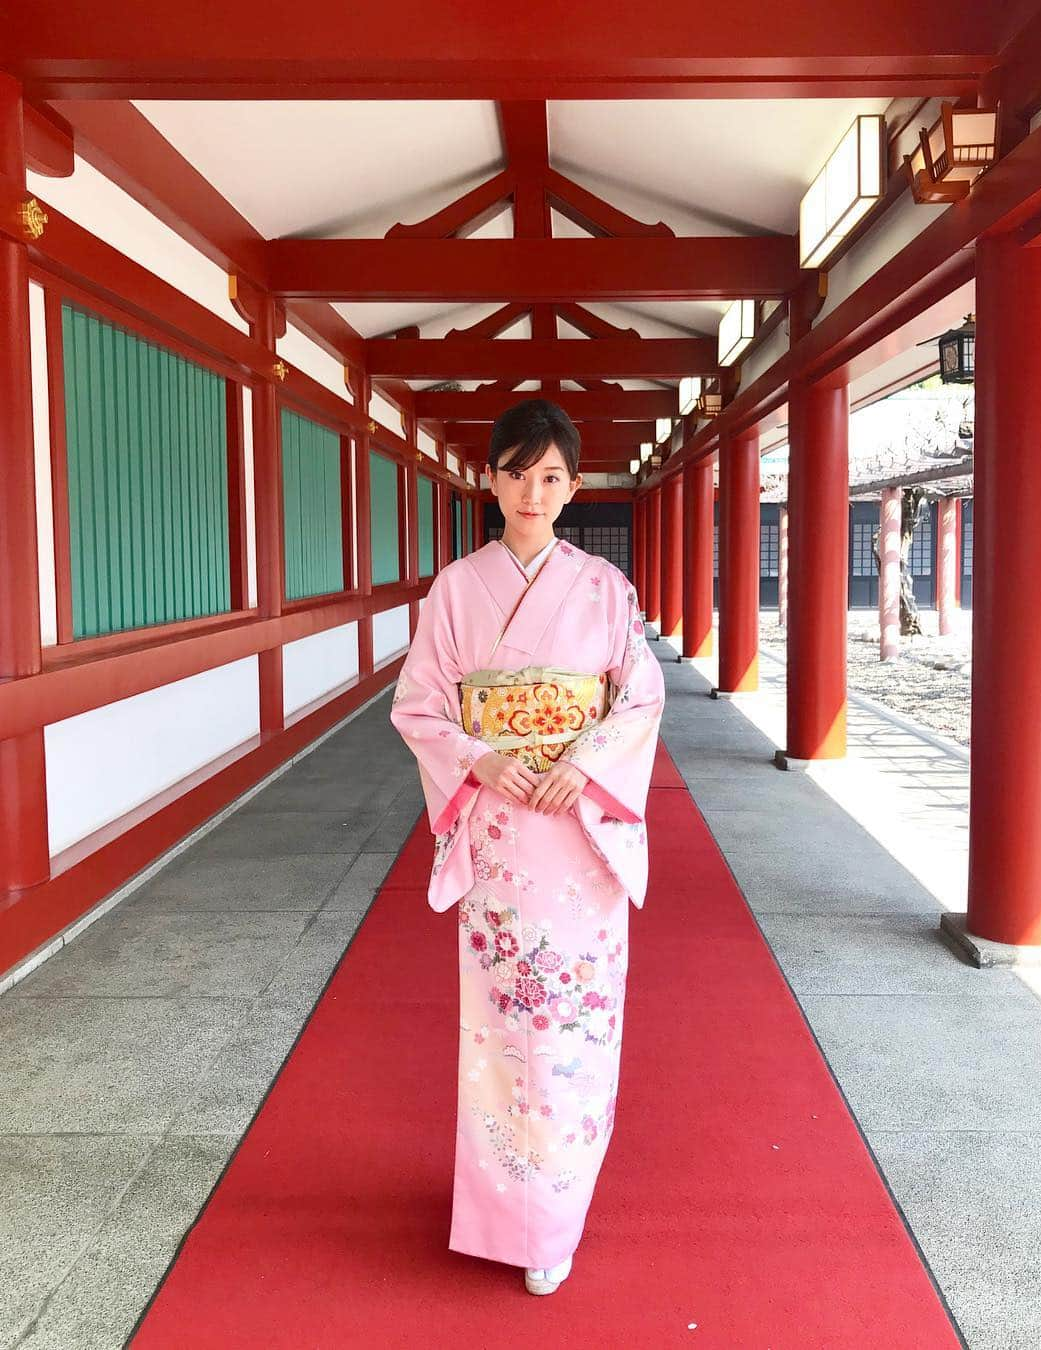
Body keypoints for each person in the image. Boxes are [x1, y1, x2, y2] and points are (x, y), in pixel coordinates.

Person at [389, 398, 665, 1296]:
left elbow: (639, 698)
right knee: (507, 1028)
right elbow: (419, 706)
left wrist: (583, 767)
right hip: (504, 835)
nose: (533, 491)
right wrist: (482, 760)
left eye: (551, 476)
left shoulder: (605, 589)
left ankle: (557, 1214)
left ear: (574, 486)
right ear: (491, 480)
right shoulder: (456, 590)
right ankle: (510, 1207)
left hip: (579, 837)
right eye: (517, 472)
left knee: (573, 1028)